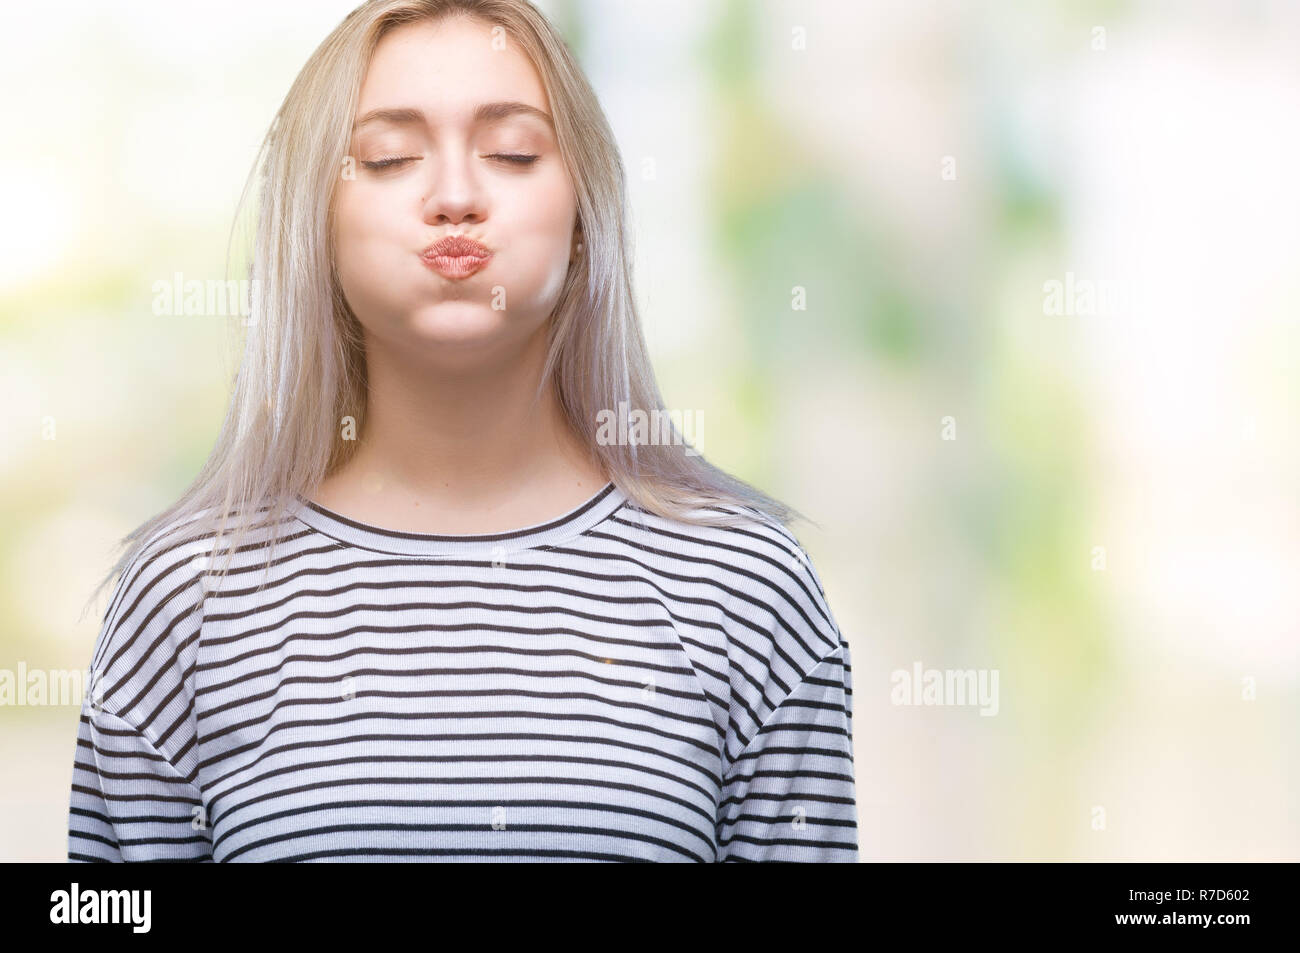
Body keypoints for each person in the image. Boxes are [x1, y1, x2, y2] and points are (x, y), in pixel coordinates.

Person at [68, 0, 857, 862]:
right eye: (389, 156)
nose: (454, 196)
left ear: (585, 216)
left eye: (513, 151)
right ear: (316, 220)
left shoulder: (744, 588)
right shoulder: (187, 601)